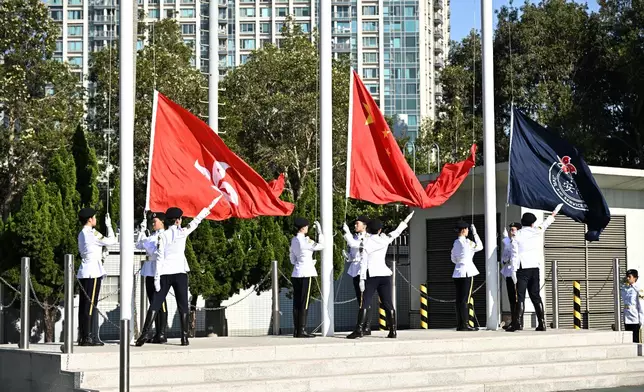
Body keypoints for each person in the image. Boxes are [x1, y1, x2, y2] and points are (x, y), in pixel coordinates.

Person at [136, 201, 215, 347]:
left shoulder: (162, 236)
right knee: (183, 305)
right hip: (180, 273)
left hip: (165, 273)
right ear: (178, 220)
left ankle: (144, 334)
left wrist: (157, 279)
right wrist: (207, 209)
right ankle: (184, 338)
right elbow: (196, 222)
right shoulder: (183, 232)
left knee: (155, 304)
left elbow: (159, 258)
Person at [343, 212, 414, 339]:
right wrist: (406, 220)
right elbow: (397, 232)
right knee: (388, 303)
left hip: (371, 275)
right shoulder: (384, 239)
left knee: (364, 303)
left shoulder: (366, 242)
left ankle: (359, 330)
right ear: (380, 229)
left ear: (368, 228)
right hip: (385, 275)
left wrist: (362, 279)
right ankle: (393, 331)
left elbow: (362, 258)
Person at [506, 204, 562, 332]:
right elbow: (547, 222)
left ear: (522, 222)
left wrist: (513, 271)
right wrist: (555, 211)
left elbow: (514, 254)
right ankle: (542, 323)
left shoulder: (517, 235)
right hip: (534, 267)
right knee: (535, 295)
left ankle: (517, 323)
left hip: (522, 267)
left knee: (519, 296)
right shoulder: (537, 230)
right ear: (532, 223)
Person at [77, 207, 117, 346]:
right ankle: (88, 337)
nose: (95, 219)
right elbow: (112, 241)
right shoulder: (92, 233)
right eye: (94, 217)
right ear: (89, 219)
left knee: (84, 305)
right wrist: (109, 226)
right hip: (93, 271)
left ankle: (83, 336)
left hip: (84, 271)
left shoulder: (82, 233)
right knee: (90, 305)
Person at [135, 211, 167, 344]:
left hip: (159, 270)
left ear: (163, 222)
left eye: (156, 221)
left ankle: (161, 333)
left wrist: (146, 241)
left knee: (161, 304)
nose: (153, 223)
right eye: (152, 221)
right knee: (153, 302)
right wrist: (141, 231)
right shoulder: (152, 235)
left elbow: (154, 250)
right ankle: (156, 333)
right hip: (149, 270)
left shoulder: (164, 235)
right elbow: (138, 245)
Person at [290, 217, 324, 338]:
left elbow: (292, 259)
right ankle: (302, 330)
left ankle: (296, 330)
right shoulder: (306, 242)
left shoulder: (294, 240)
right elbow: (321, 246)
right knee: (304, 302)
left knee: (297, 302)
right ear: (304, 228)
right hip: (306, 273)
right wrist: (320, 232)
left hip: (296, 273)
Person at [451, 220, 483, 331]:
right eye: (468, 229)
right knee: (465, 299)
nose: (468, 231)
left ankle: (460, 324)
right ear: (464, 230)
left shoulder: (455, 243)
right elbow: (480, 246)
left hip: (457, 272)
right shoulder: (468, 242)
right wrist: (475, 233)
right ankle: (465, 324)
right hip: (467, 272)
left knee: (459, 299)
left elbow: (453, 258)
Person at [345, 215, 371, 335]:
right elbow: (353, 255)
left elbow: (358, 246)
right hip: (355, 271)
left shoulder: (368, 238)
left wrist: (347, 234)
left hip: (363, 271)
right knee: (360, 300)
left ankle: (365, 327)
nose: (355, 225)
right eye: (355, 224)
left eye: (357, 224)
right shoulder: (355, 237)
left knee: (364, 300)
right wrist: (347, 256)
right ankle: (365, 326)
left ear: (364, 226)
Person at [501, 222, 522, 330]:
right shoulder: (508, 242)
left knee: (517, 297)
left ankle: (517, 322)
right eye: (510, 230)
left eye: (513, 230)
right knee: (512, 298)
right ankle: (514, 321)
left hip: (517, 271)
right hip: (508, 271)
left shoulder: (518, 241)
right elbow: (504, 257)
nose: (511, 232)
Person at [621, 269, 644, 343]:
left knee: (635, 339)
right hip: (626, 316)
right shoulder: (625, 288)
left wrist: (641, 320)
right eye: (627, 276)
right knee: (628, 339)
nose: (627, 278)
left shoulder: (639, 289)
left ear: (635, 278)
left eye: (629, 277)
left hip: (635, 317)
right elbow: (615, 291)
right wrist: (621, 282)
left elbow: (641, 305)